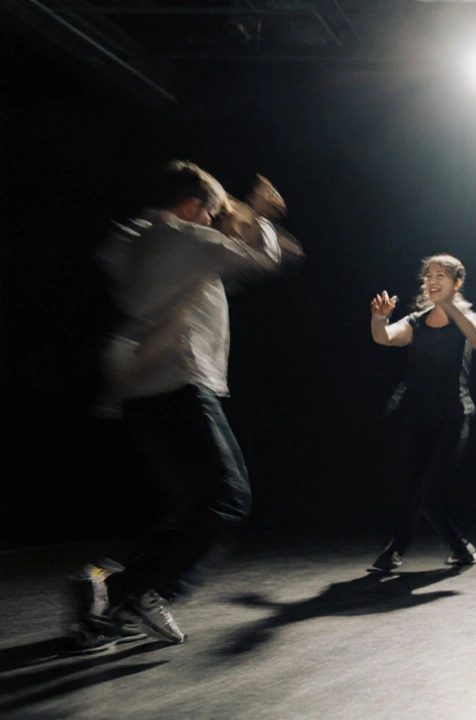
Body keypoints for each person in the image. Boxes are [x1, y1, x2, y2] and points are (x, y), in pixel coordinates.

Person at [72, 161, 300, 652]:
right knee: (228, 497)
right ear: (194, 207)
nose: (213, 220)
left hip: (139, 398)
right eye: (210, 212)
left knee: (188, 506)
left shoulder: (133, 237)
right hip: (181, 386)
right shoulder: (187, 240)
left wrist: (227, 212)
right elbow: (267, 257)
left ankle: (111, 585)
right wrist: (257, 212)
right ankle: (124, 592)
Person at [369, 254, 476, 572]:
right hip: (417, 417)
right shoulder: (416, 322)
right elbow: (382, 337)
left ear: (456, 283)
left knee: (430, 492)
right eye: (429, 275)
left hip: (453, 417)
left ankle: (441, 547)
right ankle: (418, 549)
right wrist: (379, 318)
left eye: (441, 275)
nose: (433, 280)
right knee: (413, 491)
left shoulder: (463, 319)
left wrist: (451, 305)